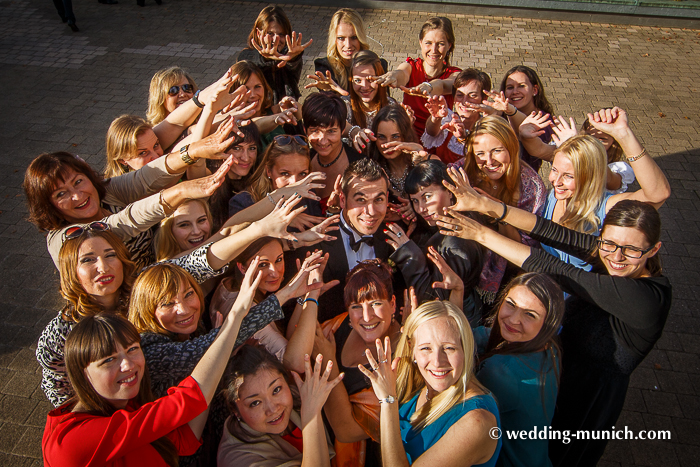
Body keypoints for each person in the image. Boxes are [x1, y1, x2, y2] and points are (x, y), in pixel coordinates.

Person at [435, 170, 672, 466]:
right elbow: (553, 232)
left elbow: (561, 271)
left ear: (654, 249)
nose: (617, 257)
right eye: (608, 244)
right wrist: (487, 206)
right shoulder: (612, 254)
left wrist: (481, 233)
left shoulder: (644, 299)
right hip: (558, 370)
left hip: (586, 397)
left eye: (632, 250)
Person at [36, 196, 308, 407]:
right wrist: (98, 413)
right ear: (70, 271)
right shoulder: (62, 331)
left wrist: (264, 222)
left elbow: (203, 258)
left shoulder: (143, 285)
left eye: (110, 255)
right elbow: (58, 388)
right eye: (88, 260)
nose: (103, 267)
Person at [41, 258, 261, 466]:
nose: (128, 365)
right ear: (82, 372)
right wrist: (235, 318)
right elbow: (188, 399)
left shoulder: (131, 403)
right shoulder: (72, 441)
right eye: (109, 360)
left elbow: (184, 439)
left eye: (132, 350)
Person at [23, 110, 244, 269]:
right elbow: (121, 223)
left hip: (160, 271)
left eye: (78, 181)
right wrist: (180, 191)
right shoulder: (62, 238)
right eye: (61, 194)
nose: (77, 195)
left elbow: (144, 177)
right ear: (47, 204)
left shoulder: (106, 192)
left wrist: (194, 151)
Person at [522, 107, 670, 269]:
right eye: (554, 170)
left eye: (569, 176)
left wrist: (624, 135)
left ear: (590, 177)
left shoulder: (605, 207)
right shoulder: (551, 197)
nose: (556, 181)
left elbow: (658, 194)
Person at [359, 301, 501, 466]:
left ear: (465, 348)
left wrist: (388, 400)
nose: (437, 362)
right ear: (412, 350)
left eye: (449, 348)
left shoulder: (477, 422)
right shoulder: (420, 386)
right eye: (426, 348)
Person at [305, 261, 407, 466]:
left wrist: (329, 362)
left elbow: (347, 431)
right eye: (357, 307)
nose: (367, 317)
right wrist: (309, 294)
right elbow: (299, 347)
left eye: (376, 303)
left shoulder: (402, 357)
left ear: (393, 304)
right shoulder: (341, 325)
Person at [287, 158, 398, 322]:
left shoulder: (392, 240)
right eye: (360, 200)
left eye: (378, 200)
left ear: (387, 198)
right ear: (343, 200)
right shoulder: (313, 244)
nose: (371, 211)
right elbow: (290, 316)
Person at [473, 273, 564, 467]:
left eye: (530, 315)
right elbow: (484, 335)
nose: (513, 319)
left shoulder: (502, 372)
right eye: (511, 304)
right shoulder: (549, 348)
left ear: (548, 324)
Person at [454, 115, 546, 305]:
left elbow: (526, 250)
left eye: (496, 151)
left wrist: (496, 211)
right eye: (480, 153)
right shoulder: (464, 170)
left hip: (508, 276)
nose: (489, 161)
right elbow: (436, 184)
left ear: (511, 148)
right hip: (464, 264)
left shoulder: (532, 186)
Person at [389, 160, 483, 324]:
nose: (421, 208)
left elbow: (434, 302)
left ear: (449, 191)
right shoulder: (461, 220)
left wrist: (408, 254)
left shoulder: (456, 246)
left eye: (427, 197)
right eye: (415, 201)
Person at [218, 346, 341, 467]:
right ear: (235, 410)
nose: (272, 409)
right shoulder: (236, 458)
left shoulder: (301, 396)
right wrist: (311, 414)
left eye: (276, 390)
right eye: (255, 403)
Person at [374, 17, 461, 138]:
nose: (434, 50)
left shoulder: (455, 74)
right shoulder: (412, 66)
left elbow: (443, 85)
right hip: (409, 133)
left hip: (440, 135)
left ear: (449, 46)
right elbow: (402, 73)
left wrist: (429, 86)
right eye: (428, 43)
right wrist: (393, 75)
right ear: (420, 42)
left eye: (440, 44)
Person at [227, 135, 324, 230]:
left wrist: (333, 210)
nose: (295, 182)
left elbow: (322, 234)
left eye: (302, 174)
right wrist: (284, 221)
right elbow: (237, 241)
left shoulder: (309, 195)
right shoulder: (243, 203)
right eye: (285, 174)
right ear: (268, 171)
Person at [237, 6, 312, 104]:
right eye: (270, 33)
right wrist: (266, 58)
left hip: (287, 114)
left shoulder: (288, 57)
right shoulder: (247, 55)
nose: (276, 39)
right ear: (258, 34)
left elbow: (293, 66)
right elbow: (249, 61)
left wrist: (295, 57)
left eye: (281, 34)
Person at [302, 91, 363, 206]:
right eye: (315, 131)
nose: (323, 140)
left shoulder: (360, 167)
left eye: (331, 131)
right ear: (305, 130)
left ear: (343, 130)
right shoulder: (302, 162)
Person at [422, 68, 492, 164]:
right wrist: (436, 117)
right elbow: (431, 133)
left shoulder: (489, 126)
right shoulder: (448, 118)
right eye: (460, 95)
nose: (464, 102)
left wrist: (464, 138)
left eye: (472, 96)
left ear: (484, 98)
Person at [230, 60, 302, 151]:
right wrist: (275, 119)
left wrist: (293, 107)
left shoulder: (273, 110)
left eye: (257, 87)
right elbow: (253, 126)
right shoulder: (231, 122)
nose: (252, 95)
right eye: (245, 89)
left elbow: (303, 113)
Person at [311, 8, 387, 94]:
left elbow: (385, 103)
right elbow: (330, 105)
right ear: (334, 39)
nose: (348, 45)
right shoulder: (325, 67)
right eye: (341, 38)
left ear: (360, 38)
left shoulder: (378, 66)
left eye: (354, 38)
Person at [499, 66, 555, 172]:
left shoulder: (544, 120)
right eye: (510, 87)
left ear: (534, 90)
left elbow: (533, 147)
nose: (515, 91)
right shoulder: (501, 114)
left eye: (521, 86)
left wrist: (512, 112)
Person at [207, 123, 263, 230]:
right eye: (237, 148)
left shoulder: (260, 181)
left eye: (252, 148)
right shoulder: (209, 179)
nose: (246, 158)